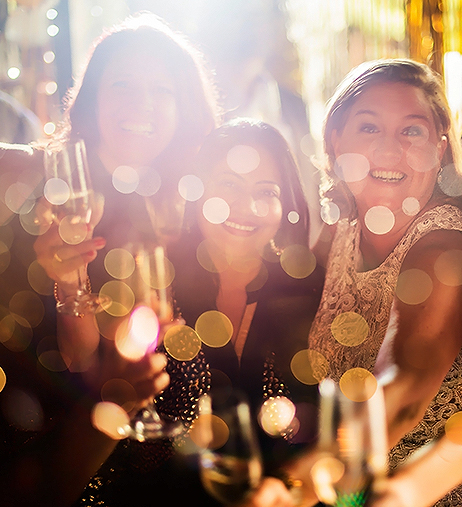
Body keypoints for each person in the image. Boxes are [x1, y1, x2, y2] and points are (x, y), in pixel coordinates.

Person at [0, 11, 221, 506]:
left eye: (163, 90)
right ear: (92, 97)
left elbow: (97, 364)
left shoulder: (177, 202)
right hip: (37, 452)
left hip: (129, 455)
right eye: (122, 83)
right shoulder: (29, 175)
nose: (142, 104)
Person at [73, 117, 324, 506]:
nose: (247, 208)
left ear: (285, 204)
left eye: (266, 191)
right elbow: (87, 365)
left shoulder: (308, 289)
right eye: (228, 186)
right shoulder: (155, 276)